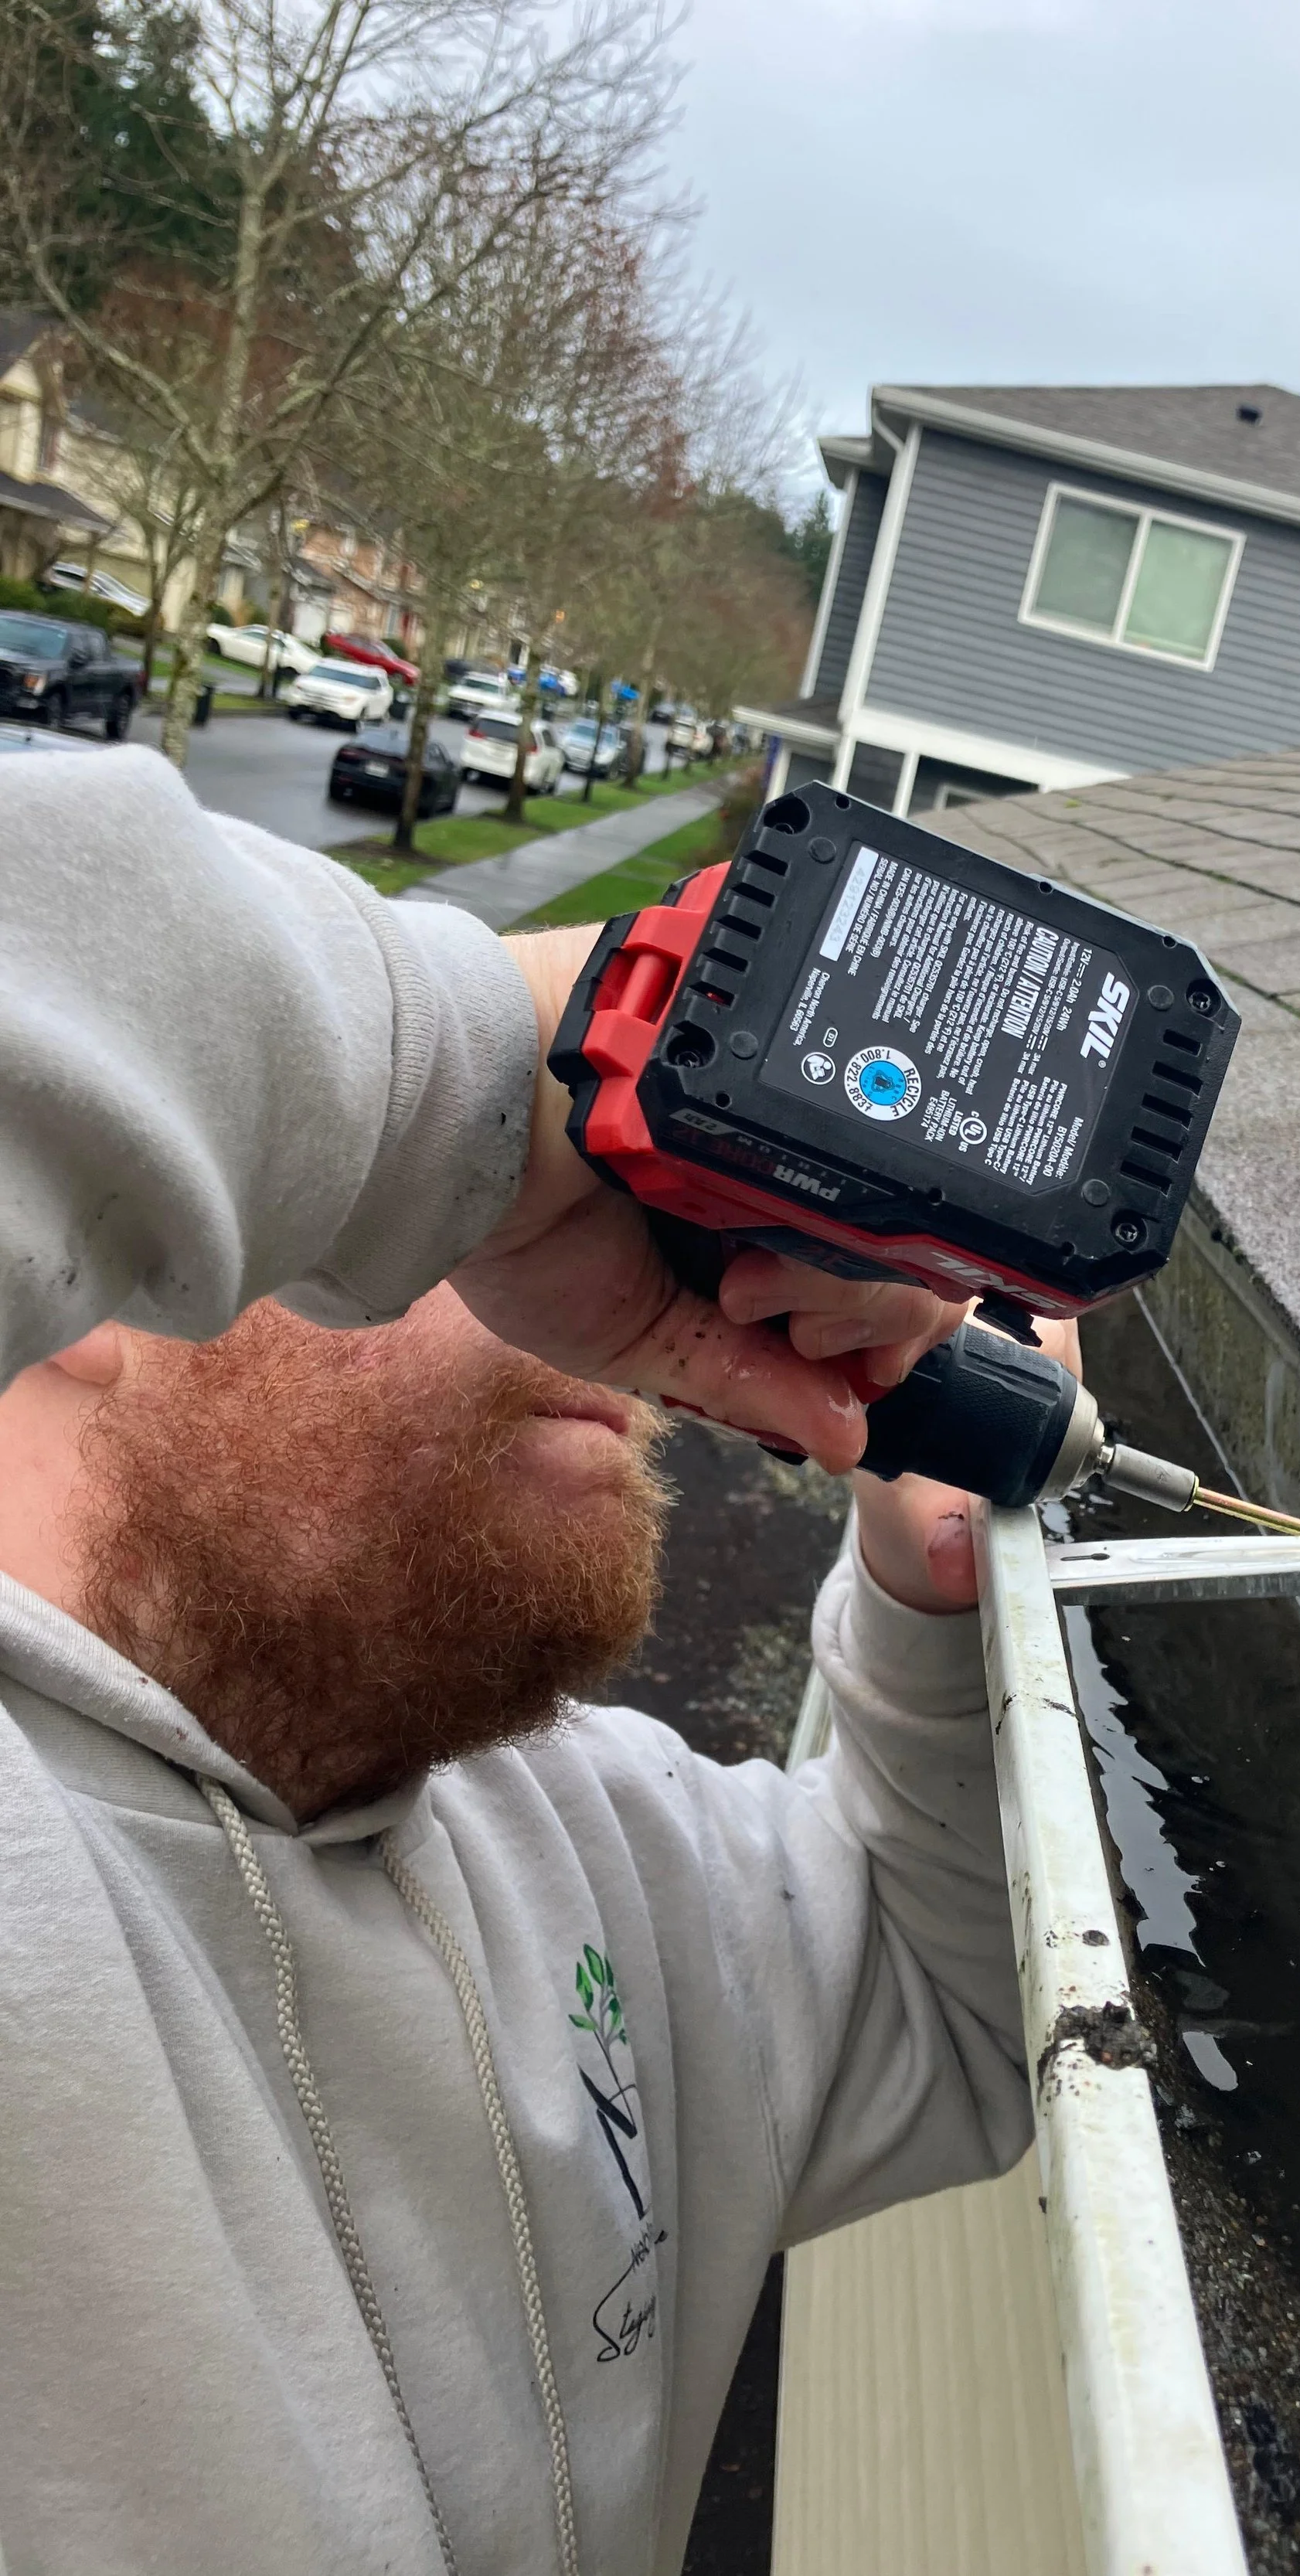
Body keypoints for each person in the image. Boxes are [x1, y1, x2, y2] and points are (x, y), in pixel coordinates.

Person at [0, 748, 1053, 2574]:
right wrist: (531, 1072)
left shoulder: (583, 1833)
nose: (616, 1298)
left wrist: (928, 1609)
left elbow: (955, 2011)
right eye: (401, 1218)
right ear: (100, 1282)